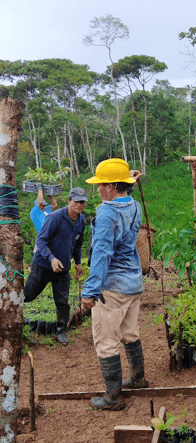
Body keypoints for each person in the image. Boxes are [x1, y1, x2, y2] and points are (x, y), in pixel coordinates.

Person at [81, 159, 146, 411]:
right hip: (133, 282)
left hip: (112, 286)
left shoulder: (107, 212)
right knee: (129, 333)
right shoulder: (135, 206)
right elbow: (123, 194)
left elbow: (102, 253)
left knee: (106, 341)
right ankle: (138, 379)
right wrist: (128, 179)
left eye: (99, 185)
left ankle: (113, 398)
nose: (96, 189)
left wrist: (90, 291)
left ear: (109, 186)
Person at [24, 188, 87, 345]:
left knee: (62, 301)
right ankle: (10, 318)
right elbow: (41, 241)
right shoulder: (55, 217)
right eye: (76, 201)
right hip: (43, 265)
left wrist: (78, 263)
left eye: (82, 202)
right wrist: (52, 259)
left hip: (63, 268)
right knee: (28, 295)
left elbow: (77, 244)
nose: (79, 205)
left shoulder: (82, 221)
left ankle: (61, 332)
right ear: (69, 201)